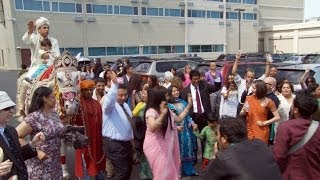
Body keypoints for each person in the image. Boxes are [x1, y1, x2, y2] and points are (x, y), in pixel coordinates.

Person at [201, 117, 282, 180]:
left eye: (217, 134)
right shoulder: (260, 144)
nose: (216, 138)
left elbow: (206, 177)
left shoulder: (223, 157)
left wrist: (215, 156)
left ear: (224, 138)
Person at [15, 87, 66, 179]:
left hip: (55, 163)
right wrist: (36, 152)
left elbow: (59, 132)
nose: (56, 100)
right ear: (44, 99)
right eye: (53, 97)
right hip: (40, 164)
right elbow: (16, 136)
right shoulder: (34, 117)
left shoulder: (54, 114)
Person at [143, 86, 191, 180]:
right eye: (165, 96)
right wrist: (162, 114)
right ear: (159, 98)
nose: (168, 97)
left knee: (167, 172)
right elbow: (152, 127)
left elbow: (178, 118)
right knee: (162, 173)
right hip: (155, 147)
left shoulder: (167, 109)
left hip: (166, 145)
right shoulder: (151, 111)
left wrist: (189, 106)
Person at [273, 91, 320, 180]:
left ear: (296, 110)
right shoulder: (318, 128)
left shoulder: (285, 127)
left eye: (292, 104)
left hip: (292, 175)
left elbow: (278, 157)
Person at [0, 91, 45, 179]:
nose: (12, 111)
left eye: (12, 107)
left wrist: (32, 144)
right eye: (6, 108)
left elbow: (17, 157)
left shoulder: (11, 130)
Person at [180, 70, 221, 162]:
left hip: (204, 116)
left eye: (198, 79)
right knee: (193, 139)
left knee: (205, 139)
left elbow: (217, 87)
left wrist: (215, 78)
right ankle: (193, 160)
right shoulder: (185, 91)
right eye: (194, 79)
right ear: (190, 79)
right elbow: (183, 105)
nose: (196, 81)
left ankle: (205, 159)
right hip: (193, 117)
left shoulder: (204, 86)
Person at [101, 71, 134, 180]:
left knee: (128, 170)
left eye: (125, 95)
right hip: (114, 144)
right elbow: (109, 100)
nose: (123, 97)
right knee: (122, 172)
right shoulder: (110, 106)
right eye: (120, 95)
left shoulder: (125, 105)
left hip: (126, 144)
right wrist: (114, 84)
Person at [73, 80, 106, 179]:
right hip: (84, 140)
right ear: (81, 91)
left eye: (91, 90)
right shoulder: (77, 104)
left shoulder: (96, 104)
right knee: (84, 164)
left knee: (98, 163)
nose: (89, 92)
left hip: (97, 139)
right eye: (86, 90)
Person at [167, 86, 198, 176]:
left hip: (185, 131)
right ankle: (177, 172)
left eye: (177, 90)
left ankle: (189, 170)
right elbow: (171, 119)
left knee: (187, 149)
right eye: (174, 91)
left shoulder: (183, 102)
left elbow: (187, 116)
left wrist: (192, 123)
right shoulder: (168, 105)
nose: (176, 92)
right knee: (176, 151)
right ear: (170, 93)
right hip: (175, 131)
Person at [240, 80, 280, 144]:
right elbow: (241, 113)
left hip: (261, 129)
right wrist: (244, 110)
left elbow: (277, 117)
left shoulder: (269, 102)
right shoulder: (249, 98)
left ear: (260, 89)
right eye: (252, 88)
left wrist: (265, 123)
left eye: (254, 88)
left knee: (260, 150)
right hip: (249, 129)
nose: (252, 90)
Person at [22, 17, 60, 82]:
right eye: (44, 28)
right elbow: (25, 40)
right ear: (38, 29)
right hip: (37, 66)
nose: (47, 29)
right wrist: (30, 31)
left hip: (51, 67)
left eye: (48, 28)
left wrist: (49, 56)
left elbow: (57, 55)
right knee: (25, 83)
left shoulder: (54, 41)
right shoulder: (34, 38)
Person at [132, 89, 153, 179]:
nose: (142, 96)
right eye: (142, 94)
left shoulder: (151, 109)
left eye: (145, 94)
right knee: (143, 161)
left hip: (148, 137)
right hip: (140, 137)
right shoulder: (141, 105)